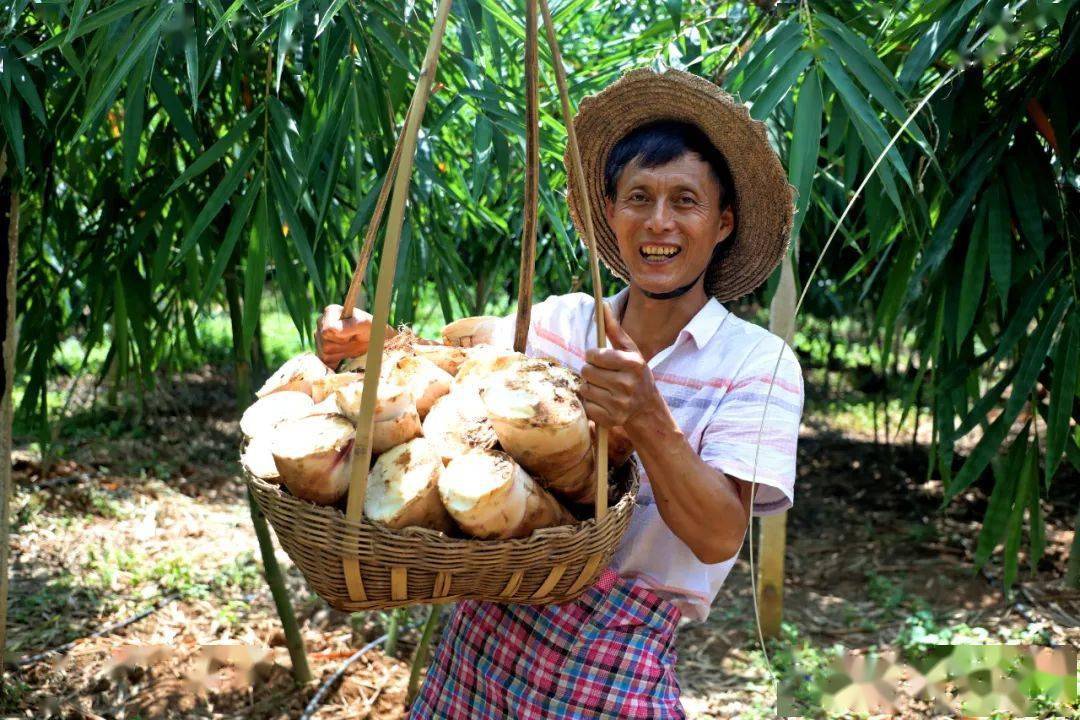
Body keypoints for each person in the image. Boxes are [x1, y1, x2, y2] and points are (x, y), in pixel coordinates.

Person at [316, 68, 803, 719]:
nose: (659, 222)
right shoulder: (562, 323)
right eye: (639, 197)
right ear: (611, 213)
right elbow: (461, 351)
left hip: (616, 655)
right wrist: (377, 340)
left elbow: (718, 537)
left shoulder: (757, 365)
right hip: (487, 627)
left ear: (723, 223)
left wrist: (647, 418)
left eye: (685, 201)